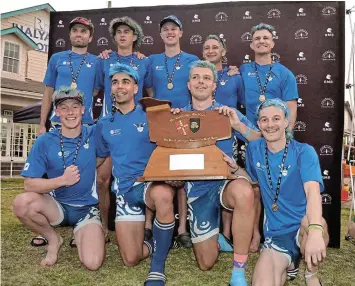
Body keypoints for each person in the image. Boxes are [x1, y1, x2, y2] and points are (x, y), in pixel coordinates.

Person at [172, 60, 260, 286]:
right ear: (189, 85)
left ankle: (238, 273)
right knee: (206, 263)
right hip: (197, 189)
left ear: (214, 86)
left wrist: (238, 125)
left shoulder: (226, 113)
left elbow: (261, 139)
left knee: (244, 192)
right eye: (196, 78)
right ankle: (217, 239)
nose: (201, 81)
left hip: (225, 181)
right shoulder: (178, 116)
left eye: (206, 78)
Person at [95, 63, 176, 285]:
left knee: (163, 195)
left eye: (125, 81)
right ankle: (156, 243)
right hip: (124, 192)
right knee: (131, 259)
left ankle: (157, 268)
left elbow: (173, 146)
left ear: (135, 88)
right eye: (114, 82)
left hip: (148, 185)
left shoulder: (153, 116)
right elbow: (99, 159)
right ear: (110, 89)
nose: (119, 86)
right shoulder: (104, 125)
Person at [13, 87, 105, 270]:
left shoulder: (94, 133)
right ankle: (53, 239)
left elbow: (104, 153)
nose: (70, 112)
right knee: (21, 203)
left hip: (86, 209)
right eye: (64, 107)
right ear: (56, 112)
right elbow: (29, 184)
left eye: (75, 106)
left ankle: (84, 233)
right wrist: (62, 180)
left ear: (83, 109)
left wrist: (89, 166)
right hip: (57, 207)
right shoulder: (45, 141)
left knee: (93, 263)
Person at [245, 98, 329, 286]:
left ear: (286, 122)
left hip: (302, 228)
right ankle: (290, 264)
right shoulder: (253, 149)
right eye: (264, 120)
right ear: (258, 124)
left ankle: (311, 274)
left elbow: (313, 191)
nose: (270, 124)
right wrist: (234, 169)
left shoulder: (304, 152)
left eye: (276, 118)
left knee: (316, 223)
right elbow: (252, 183)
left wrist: (315, 232)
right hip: (276, 235)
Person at [33, 16, 99, 248]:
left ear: (90, 37)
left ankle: (82, 226)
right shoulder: (57, 58)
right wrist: (42, 124)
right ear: (70, 35)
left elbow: (100, 90)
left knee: (83, 177)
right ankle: (47, 229)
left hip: (86, 125)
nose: (79, 35)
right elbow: (48, 93)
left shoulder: (97, 61)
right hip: (57, 122)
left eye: (84, 31)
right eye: (75, 31)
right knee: (52, 175)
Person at [239, 23, 299, 255]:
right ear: (252, 44)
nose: (261, 41)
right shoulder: (242, 71)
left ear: (272, 43)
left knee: (274, 187)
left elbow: (291, 110)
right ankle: (254, 234)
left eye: (266, 38)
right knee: (253, 189)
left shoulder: (285, 73)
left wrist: (283, 137)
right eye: (257, 38)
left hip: (274, 139)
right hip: (248, 138)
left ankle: (278, 235)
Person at [95, 16, 153, 237]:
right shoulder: (104, 59)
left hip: (135, 126)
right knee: (102, 179)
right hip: (110, 126)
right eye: (118, 31)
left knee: (143, 174)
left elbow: (150, 93)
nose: (122, 35)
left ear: (134, 36)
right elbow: (96, 92)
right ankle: (103, 225)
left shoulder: (143, 61)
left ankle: (147, 226)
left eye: (127, 32)